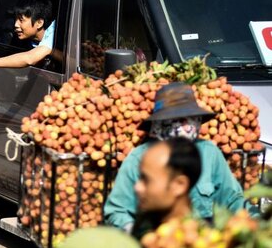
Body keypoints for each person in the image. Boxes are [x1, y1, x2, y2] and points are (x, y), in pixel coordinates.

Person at [104, 82, 258, 233]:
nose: (186, 126)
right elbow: (117, 211)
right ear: (159, 124)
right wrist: (141, 236)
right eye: (176, 121)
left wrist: (255, 224)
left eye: (190, 119)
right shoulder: (138, 159)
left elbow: (232, 200)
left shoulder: (209, 153)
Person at [131, 137, 201, 238]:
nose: (138, 187)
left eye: (146, 180)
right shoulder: (143, 225)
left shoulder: (197, 241)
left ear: (179, 185)